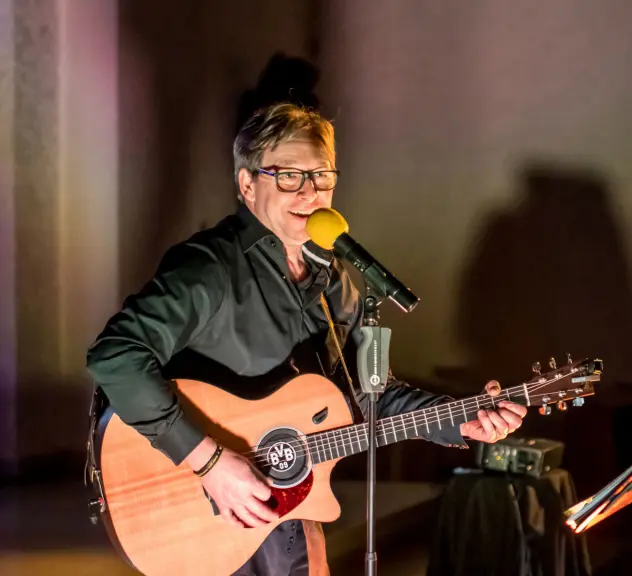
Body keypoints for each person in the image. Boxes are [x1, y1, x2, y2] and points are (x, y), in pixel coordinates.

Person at [86, 103, 527, 575]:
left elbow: (373, 396)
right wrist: (210, 463)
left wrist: (459, 421)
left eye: (322, 176)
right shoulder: (209, 268)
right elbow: (116, 356)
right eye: (288, 176)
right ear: (247, 184)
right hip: (211, 507)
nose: (310, 192)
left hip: (292, 512)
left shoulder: (336, 281)